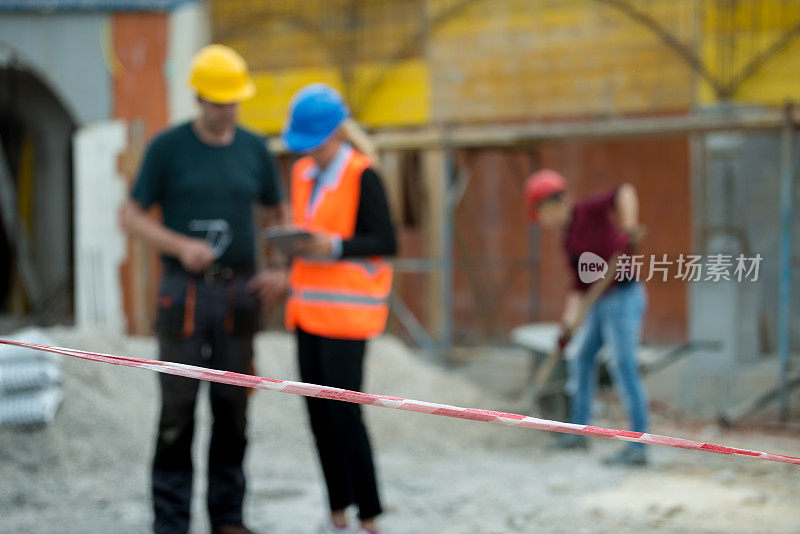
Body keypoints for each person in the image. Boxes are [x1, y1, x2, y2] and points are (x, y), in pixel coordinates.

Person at [121, 44, 284, 534]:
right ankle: (170, 522)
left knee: (233, 408)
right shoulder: (167, 148)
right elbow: (129, 215)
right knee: (177, 410)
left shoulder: (255, 150)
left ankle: (228, 519)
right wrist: (178, 244)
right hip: (183, 292)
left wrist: (278, 265)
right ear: (199, 97)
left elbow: (279, 216)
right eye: (218, 102)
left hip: (239, 292)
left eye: (233, 101)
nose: (226, 110)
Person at [248, 83, 396, 533]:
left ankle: (368, 514)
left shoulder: (362, 174)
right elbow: (306, 236)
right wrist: (287, 268)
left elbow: (385, 240)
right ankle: (337, 510)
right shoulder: (302, 175)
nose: (306, 153)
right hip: (307, 312)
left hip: (348, 317)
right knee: (317, 413)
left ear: (334, 134)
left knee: (345, 414)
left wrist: (331, 246)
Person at [525, 169, 649, 466]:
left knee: (624, 365)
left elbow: (625, 190)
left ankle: (639, 446)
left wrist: (629, 227)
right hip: (599, 301)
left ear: (551, 203)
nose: (542, 222)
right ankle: (578, 431)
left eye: (540, 213)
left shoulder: (587, 211)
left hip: (623, 295)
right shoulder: (568, 241)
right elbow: (579, 288)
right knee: (581, 359)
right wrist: (567, 327)